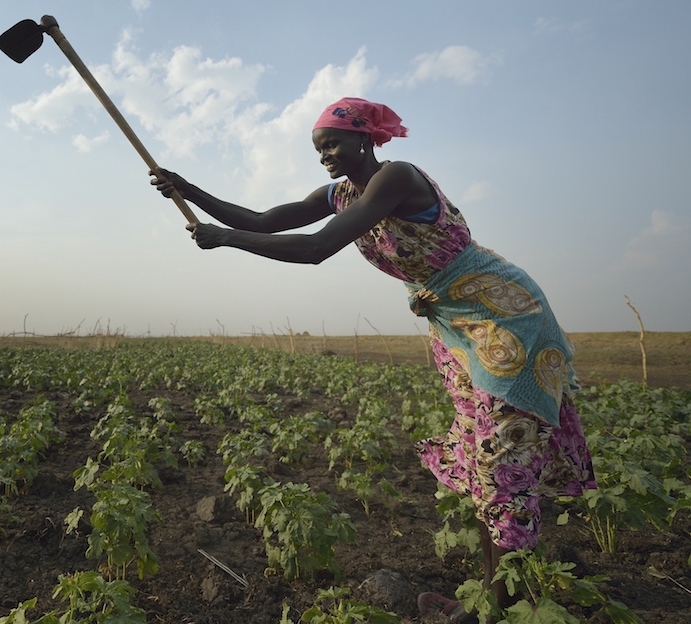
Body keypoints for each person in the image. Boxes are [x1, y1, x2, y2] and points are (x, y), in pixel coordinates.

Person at [150, 97, 596, 622]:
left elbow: (317, 248)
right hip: (455, 326)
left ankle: (504, 608)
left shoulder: (397, 178)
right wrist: (187, 190)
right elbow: (266, 219)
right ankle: (490, 599)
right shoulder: (341, 193)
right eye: (319, 149)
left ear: (365, 138)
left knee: (503, 463)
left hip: (503, 317)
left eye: (332, 143)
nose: (325, 156)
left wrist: (227, 240)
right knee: (481, 462)